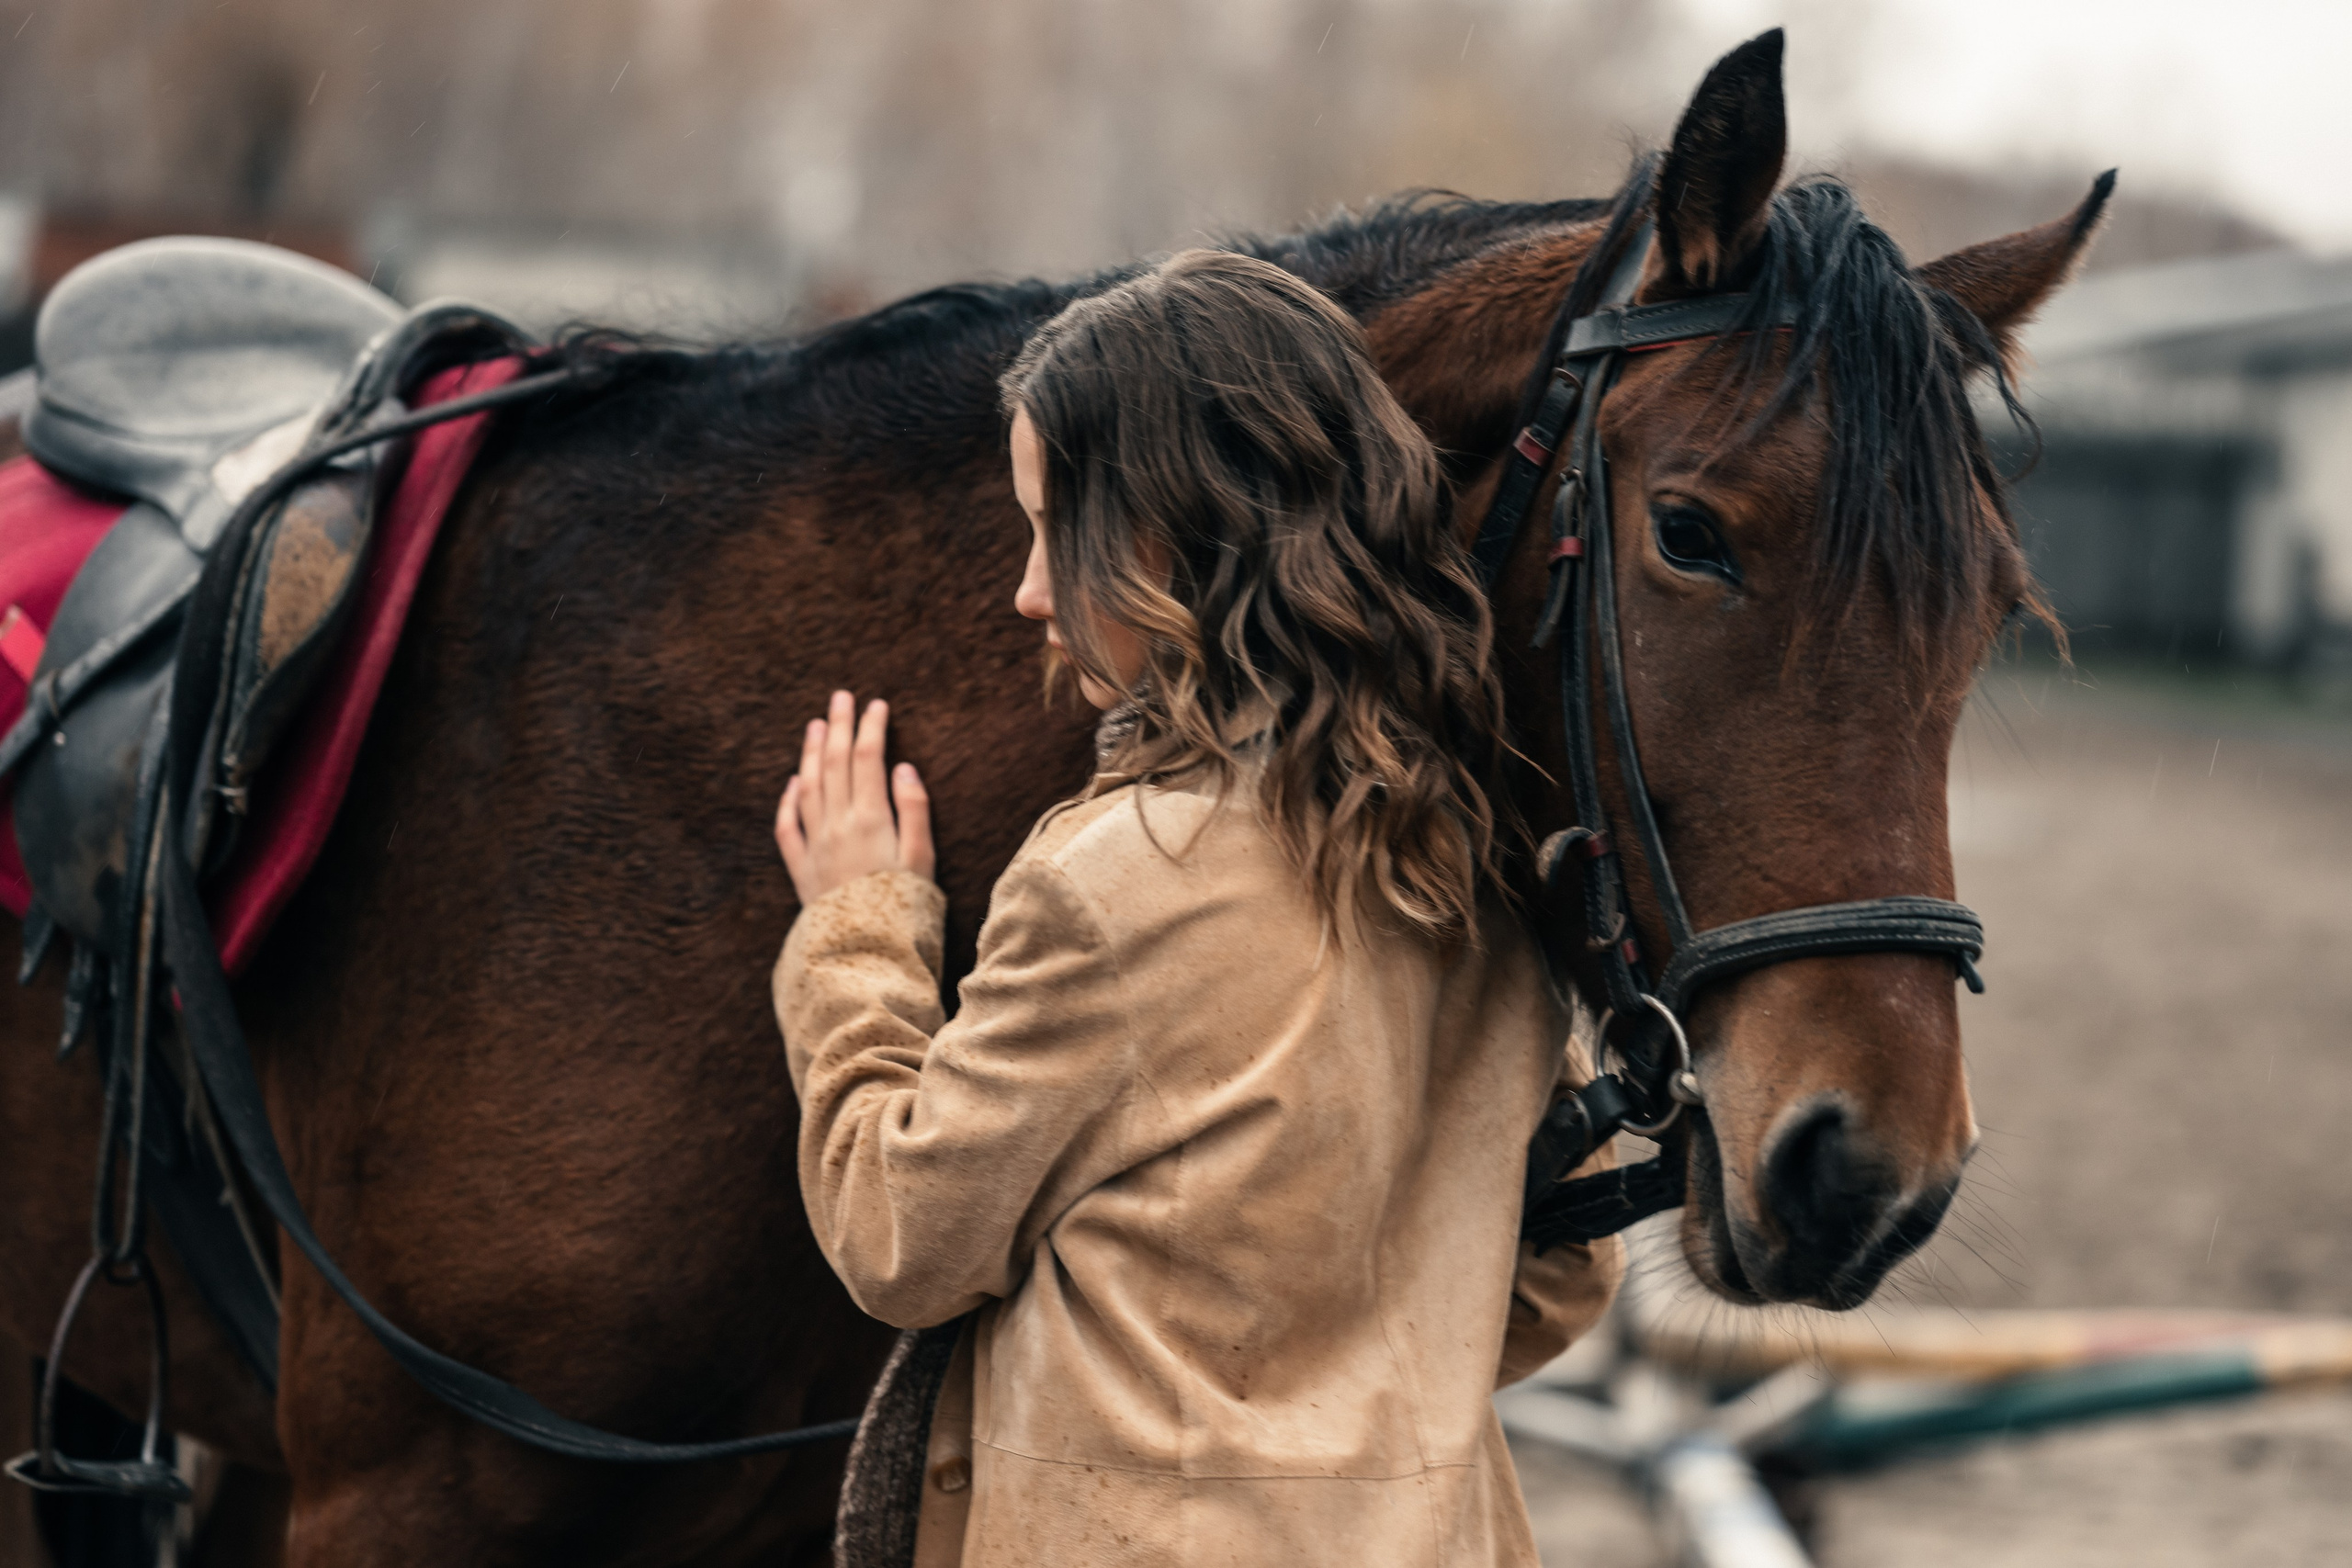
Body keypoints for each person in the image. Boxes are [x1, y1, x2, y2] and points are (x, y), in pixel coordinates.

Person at [771, 249, 1623, 1568]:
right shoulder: (1478, 861)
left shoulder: (1111, 885)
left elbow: (904, 1236)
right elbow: (1567, 1267)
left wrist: (860, 930)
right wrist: (1348, 1401)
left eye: (1057, 531)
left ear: (1169, 537)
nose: (1029, 592)